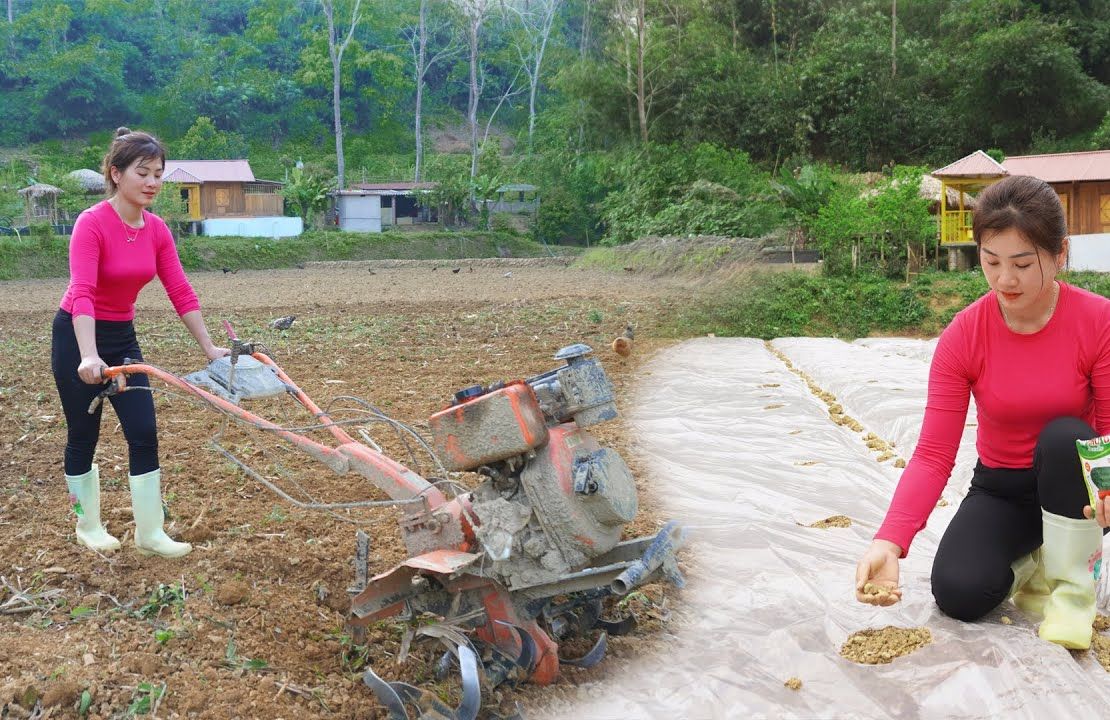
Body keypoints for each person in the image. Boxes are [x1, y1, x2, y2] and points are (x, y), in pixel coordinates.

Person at [855, 174, 1110, 650]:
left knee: (1064, 436)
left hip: (1078, 485)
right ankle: (1033, 560)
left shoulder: (1097, 321)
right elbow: (933, 453)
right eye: (991, 262)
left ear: (1060, 255)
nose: (1004, 279)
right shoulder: (965, 334)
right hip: (1003, 488)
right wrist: (889, 541)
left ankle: (1073, 595)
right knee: (959, 592)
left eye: (1021, 263)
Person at [52, 127, 228, 558]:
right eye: (143, 172)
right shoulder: (91, 224)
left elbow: (180, 291)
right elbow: (83, 294)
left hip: (122, 337)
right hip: (78, 335)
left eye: (158, 174)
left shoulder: (156, 230)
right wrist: (89, 354)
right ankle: (88, 526)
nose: (152, 182)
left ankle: (149, 533)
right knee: (83, 434)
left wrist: (209, 348)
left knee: (144, 431)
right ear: (116, 173)